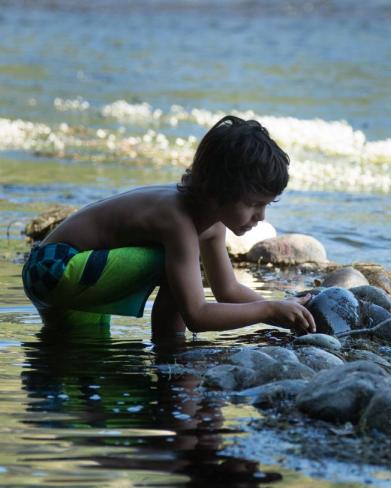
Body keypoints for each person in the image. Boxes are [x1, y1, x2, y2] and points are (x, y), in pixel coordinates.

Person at [22, 115, 316, 339]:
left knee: (74, 353)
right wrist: (268, 309)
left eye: (267, 205)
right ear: (217, 191)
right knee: (175, 267)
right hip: (53, 267)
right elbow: (197, 315)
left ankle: (168, 350)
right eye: (253, 204)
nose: (261, 216)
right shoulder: (178, 220)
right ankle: (170, 351)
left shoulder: (211, 224)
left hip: (80, 277)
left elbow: (227, 289)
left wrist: (281, 311)